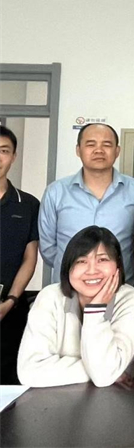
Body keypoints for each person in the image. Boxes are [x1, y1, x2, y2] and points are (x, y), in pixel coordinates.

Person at [17, 226, 134, 387]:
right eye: (81, 261)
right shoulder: (49, 297)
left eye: (102, 260)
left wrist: (96, 310)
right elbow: (29, 372)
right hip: (56, 399)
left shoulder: (133, 300)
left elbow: (103, 376)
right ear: (68, 267)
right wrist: (107, 369)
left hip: (117, 397)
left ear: (118, 265)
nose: (92, 271)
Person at [39, 123, 134, 285]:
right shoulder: (56, 192)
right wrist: (75, 270)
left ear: (117, 151)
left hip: (120, 288)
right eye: (90, 144)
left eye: (106, 144)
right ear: (78, 150)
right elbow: (48, 247)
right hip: (69, 289)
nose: (99, 150)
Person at [0, 125, 40, 384]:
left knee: (9, 381)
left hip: (10, 309)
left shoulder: (28, 204)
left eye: (4, 151)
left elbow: (30, 257)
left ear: (14, 156)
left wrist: (12, 299)